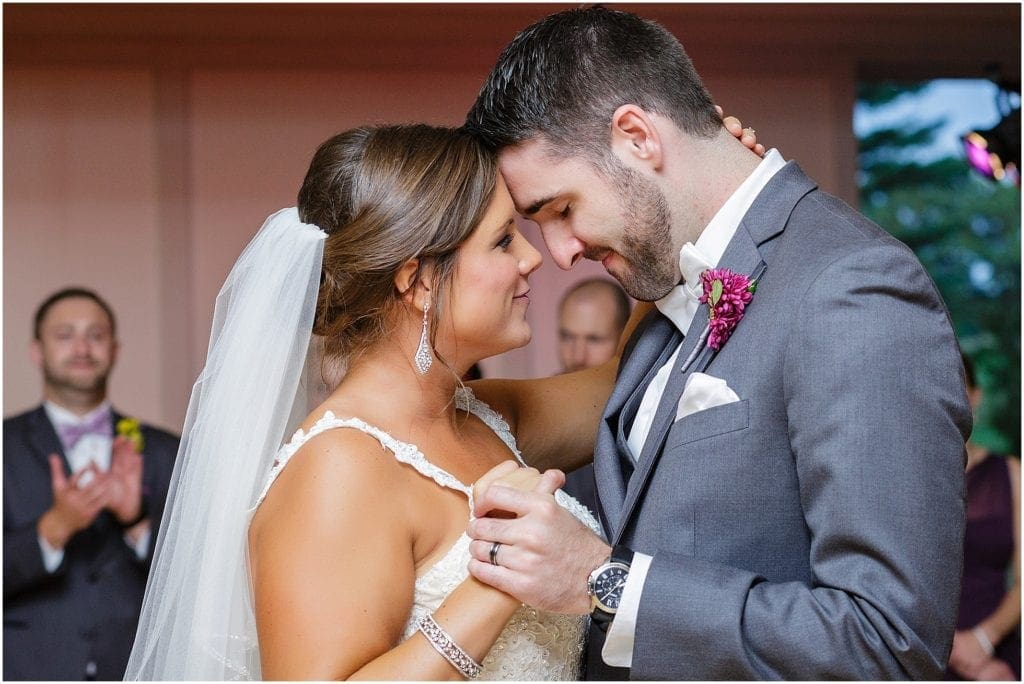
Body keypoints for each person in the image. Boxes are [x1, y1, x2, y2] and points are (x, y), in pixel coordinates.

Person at [125, 118, 764, 680]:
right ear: (420, 281)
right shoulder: (338, 467)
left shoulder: (486, 417)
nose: (534, 261)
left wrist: (691, 206)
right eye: (503, 240)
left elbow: (618, 387)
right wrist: (493, 587)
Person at [463, 6, 971, 679]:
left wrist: (601, 579)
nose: (559, 253)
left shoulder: (851, 287)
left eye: (560, 210)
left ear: (638, 137)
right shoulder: (667, 298)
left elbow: (888, 645)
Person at [3, 287, 179, 680]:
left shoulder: (167, 451)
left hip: (139, 670)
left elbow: (198, 581)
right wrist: (52, 529)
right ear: (37, 351)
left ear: (114, 350)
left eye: (96, 336)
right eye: (65, 335)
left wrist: (136, 522)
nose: (82, 347)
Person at [946, 354, 1020, 681]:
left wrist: (984, 638)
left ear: (975, 396)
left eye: (957, 388)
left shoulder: (1012, 474)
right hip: (920, 650)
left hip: (997, 649)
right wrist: (949, 650)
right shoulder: (905, 482)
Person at [557, 278, 631, 515]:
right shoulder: (541, 403)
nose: (578, 355)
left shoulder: (642, 406)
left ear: (625, 337)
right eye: (568, 337)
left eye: (594, 339)